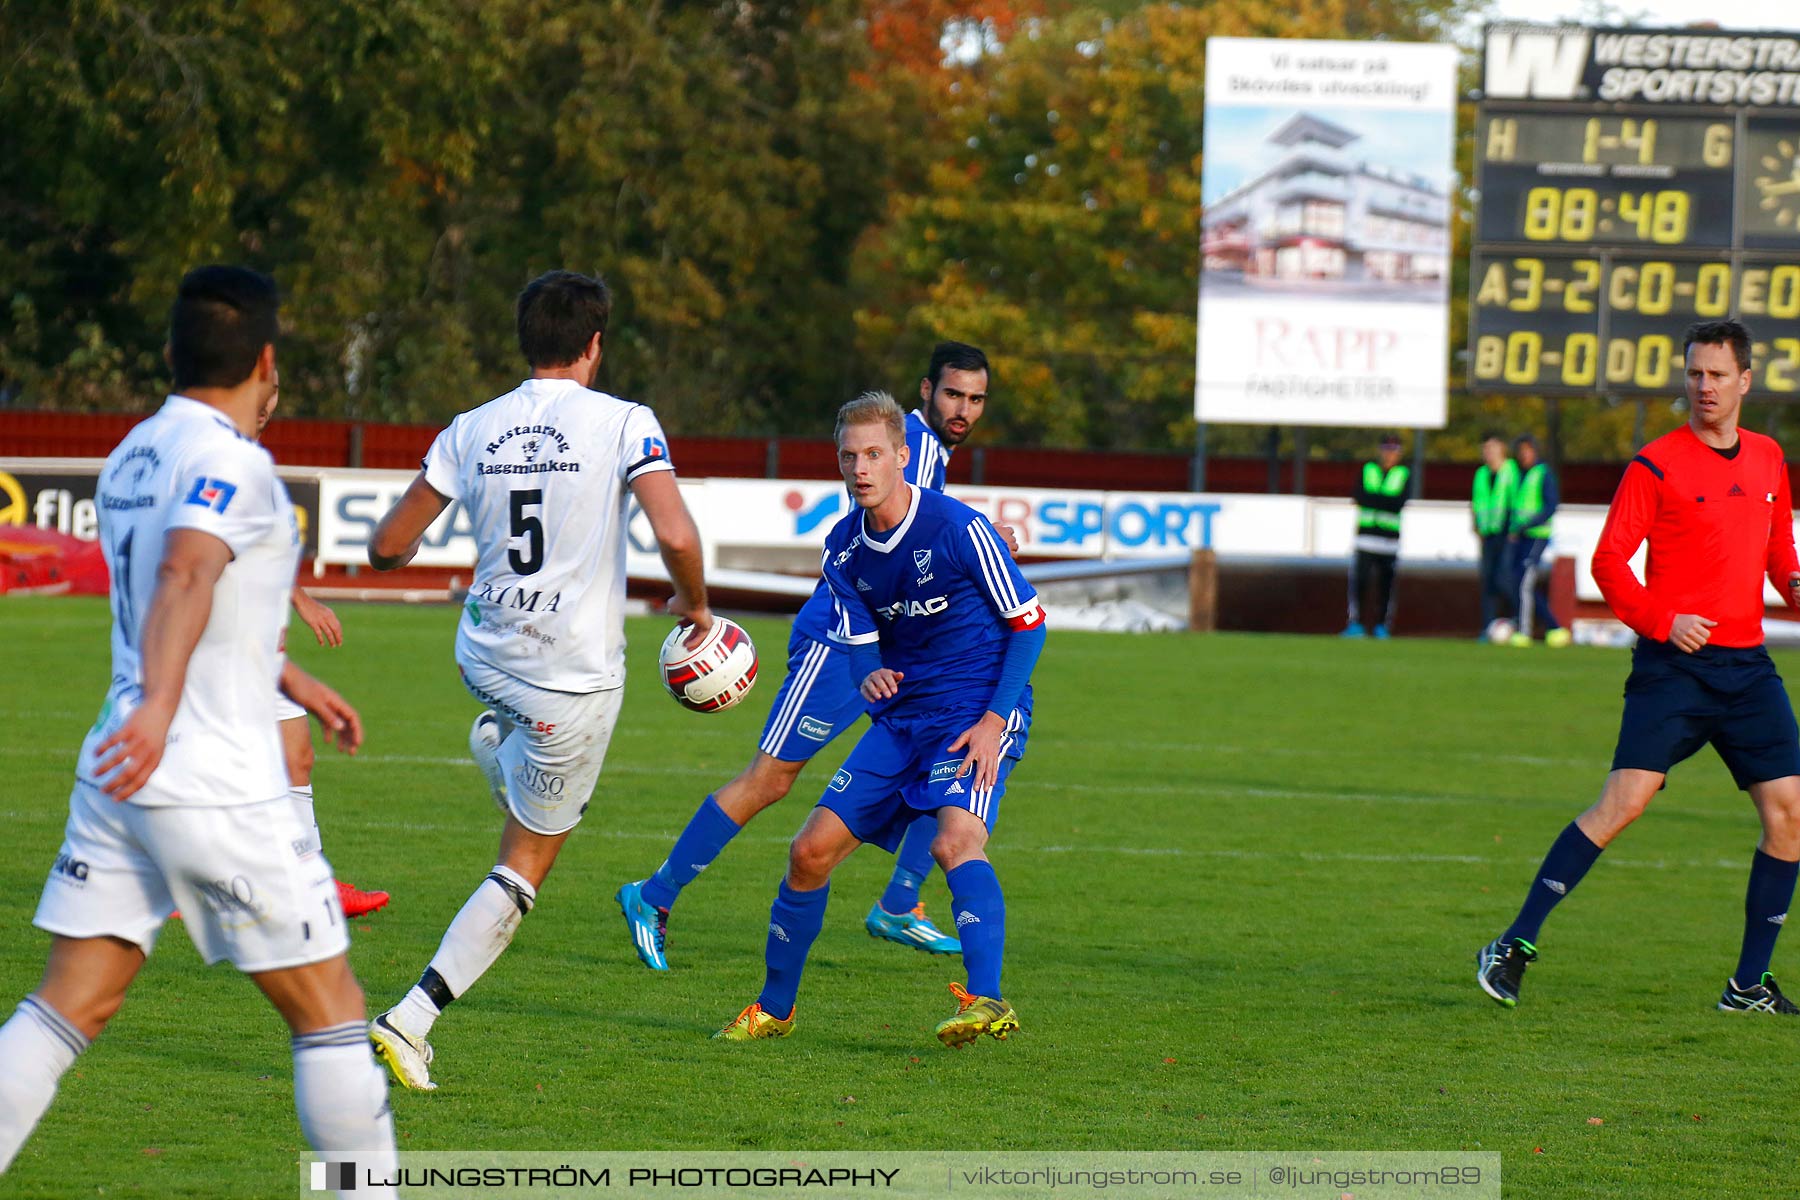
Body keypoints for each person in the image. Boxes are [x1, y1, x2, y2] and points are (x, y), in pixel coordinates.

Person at [0, 267, 396, 1196]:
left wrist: (285, 669)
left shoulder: (135, 451)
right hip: (206, 768)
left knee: (69, 1006)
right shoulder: (235, 460)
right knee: (332, 1012)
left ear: (170, 353)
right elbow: (184, 575)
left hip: (119, 770)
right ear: (266, 360)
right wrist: (164, 708)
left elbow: (196, 596)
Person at [362, 269, 711, 1090]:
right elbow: (675, 530)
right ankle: (410, 1021)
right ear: (595, 344)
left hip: (482, 655)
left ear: (526, 342)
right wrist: (694, 605)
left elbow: (384, 547)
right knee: (526, 865)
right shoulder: (626, 422)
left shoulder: (472, 427)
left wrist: (409, 549)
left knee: (528, 760)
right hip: (568, 686)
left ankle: (502, 754)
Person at [616, 342, 1005, 970]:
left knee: (939, 754)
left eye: (975, 399)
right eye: (953, 394)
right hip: (842, 642)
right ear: (926, 391)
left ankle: (901, 904)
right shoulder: (911, 445)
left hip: (895, 647)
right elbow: (891, 538)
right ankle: (653, 895)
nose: (962, 409)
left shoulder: (928, 450)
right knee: (772, 778)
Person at [1478, 319, 1800, 1015]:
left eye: (1717, 374)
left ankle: (1748, 985)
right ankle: (1513, 944)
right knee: (1624, 802)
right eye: (1694, 374)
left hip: (1748, 670)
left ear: (1746, 380)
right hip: (1674, 669)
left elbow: (1778, 553)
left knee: (1790, 815)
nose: (1703, 386)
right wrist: (1665, 620)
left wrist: (1796, 585)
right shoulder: (1655, 464)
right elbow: (1607, 563)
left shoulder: (1771, 460)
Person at [714, 390, 1045, 1047]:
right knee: (808, 852)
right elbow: (861, 628)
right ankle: (775, 1010)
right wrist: (867, 669)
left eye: (873, 455)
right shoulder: (842, 550)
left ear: (901, 456)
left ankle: (988, 1000)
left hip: (974, 711)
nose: (860, 468)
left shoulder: (958, 529)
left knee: (955, 842)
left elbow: (1029, 624)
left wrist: (993, 719)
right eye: (848, 457)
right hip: (902, 721)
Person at [254, 379, 390, 919]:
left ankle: (313, 881)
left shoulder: (250, 460)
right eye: (264, 388)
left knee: (297, 755)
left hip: (261, 646)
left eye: (278, 391)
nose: (270, 403)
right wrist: (302, 602)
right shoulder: (211, 458)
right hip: (216, 646)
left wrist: (298, 600)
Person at [1343, 433, 1410, 639]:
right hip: (1365, 538)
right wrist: (1384, 500)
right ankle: (1356, 624)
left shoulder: (1404, 473)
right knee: (1360, 582)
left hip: (1389, 540)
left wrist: (1375, 499)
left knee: (1385, 586)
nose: (1390, 455)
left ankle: (1381, 625)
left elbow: (1398, 503)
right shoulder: (1368, 470)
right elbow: (1359, 496)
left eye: (1394, 451)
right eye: (1387, 450)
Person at [1506, 433, 1569, 648]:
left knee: (1524, 582)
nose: (1523, 455)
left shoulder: (1543, 474)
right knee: (1521, 584)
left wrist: (1526, 525)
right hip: (1520, 536)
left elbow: (1550, 506)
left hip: (1536, 536)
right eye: (1520, 451)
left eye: (1527, 450)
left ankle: (1524, 632)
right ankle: (1554, 628)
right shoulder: (1518, 474)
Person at [1472, 430, 1517, 636]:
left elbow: (1516, 500)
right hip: (1487, 533)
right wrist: (1476, 525)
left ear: (1502, 449)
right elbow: (1476, 502)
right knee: (1488, 581)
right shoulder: (1481, 473)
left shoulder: (1511, 470)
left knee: (1504, 579)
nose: (1488, 452)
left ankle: (1515, 620)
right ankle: (1486, 626)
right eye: (1485, 448)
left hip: (1507, 534)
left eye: (1492, 448)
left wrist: (1514, 527)